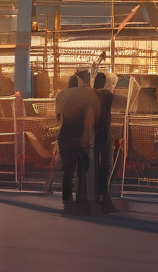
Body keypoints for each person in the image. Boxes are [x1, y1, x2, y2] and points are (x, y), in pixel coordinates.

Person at [55, 74, 99, 212]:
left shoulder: (60, 95)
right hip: (81, 136)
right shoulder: (86, 93)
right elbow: (95, 114)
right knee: (83, 167)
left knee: (68, 169)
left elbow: (57, 116)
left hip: (64, 136)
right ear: (78, 84)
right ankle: (82, 195)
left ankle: (66, 196)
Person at [92, 73, 115, 209]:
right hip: (104, 131)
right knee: (105, 160)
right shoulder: (107, 94)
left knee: (93, 160)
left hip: (92, 131)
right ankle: (104, 188)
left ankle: (95, 189)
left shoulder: (90, 94)